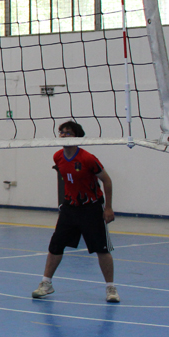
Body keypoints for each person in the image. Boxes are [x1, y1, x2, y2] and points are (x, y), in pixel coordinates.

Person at [31, 120, 119, 303]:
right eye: (61, 132)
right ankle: (46, 283)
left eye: (68, 132)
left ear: (77, 137)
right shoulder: (58, 157)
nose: (63, 135)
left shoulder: (88, 158)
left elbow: (107, 180)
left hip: (91, 208)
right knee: (55, 245)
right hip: (70, 208)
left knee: (101, 249)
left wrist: (108, 207)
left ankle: (111, 288)